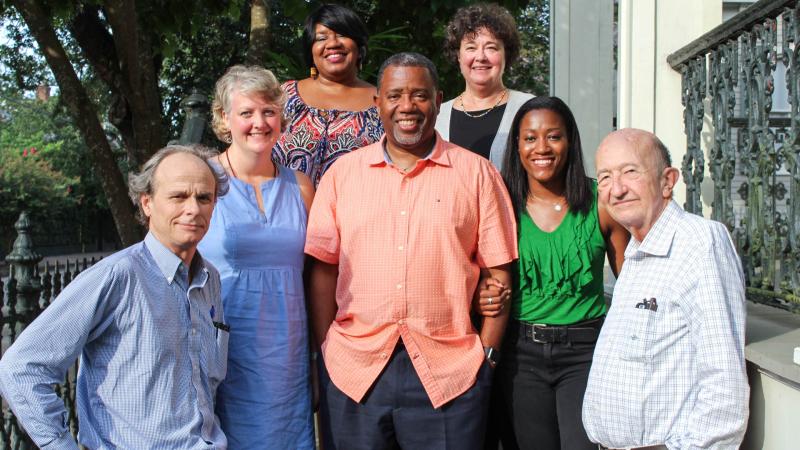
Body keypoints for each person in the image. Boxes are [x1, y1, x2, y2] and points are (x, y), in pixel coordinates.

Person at [305, 52, 518, 450]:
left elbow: (499, 271)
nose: (407, 106)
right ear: (378, 103)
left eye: (420, 95)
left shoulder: (477, 174)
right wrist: (325, 353)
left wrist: (487, 356)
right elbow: (322, 270)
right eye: (396, 95)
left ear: (439, 101)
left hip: (451, 372)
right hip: (354, 370)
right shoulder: (341, 176)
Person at [0, 145, 229, 449]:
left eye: (204, 197)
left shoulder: (209, 279)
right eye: (178, 196)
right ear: (147, 203)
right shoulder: (117, 277)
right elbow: (21, 367)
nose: (193, 209)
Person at [583, 128, 748, 449]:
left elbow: (724, 384)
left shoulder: (698, 243)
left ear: (667, 181)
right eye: (604, 178)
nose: (616, 189)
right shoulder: (635, 252)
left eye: (630, 172)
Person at [490, 97, 629, 450]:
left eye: (553, 136)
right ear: (517, 146)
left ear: (570, 141)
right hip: (521, 353)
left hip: (587, 352)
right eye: (530, 138)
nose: (542, 148)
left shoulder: (601, 202)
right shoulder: (500, 203)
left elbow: (633, 284)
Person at [198, 65, 315, 449]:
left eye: (269, 111)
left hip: (289, 350)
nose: (259, 122)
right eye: (246, 112)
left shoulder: (300, 185)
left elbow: (316, 273)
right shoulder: (203, 181)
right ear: (224, 119)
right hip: (224, 348)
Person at [273, 3, 384, 186]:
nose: (332, 43)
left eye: (342, 34)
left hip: (353, 212)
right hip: (284, 211)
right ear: (311, 49)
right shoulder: (283, 96)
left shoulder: (382, 102)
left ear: (359, 46)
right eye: (321, 37)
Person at [435, 3, 534, 170]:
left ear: (506, 55)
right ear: (458, 55)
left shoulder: (529, 109)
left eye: (491, 48)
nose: (480, 57)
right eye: (471, 47)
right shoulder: (437, 116)